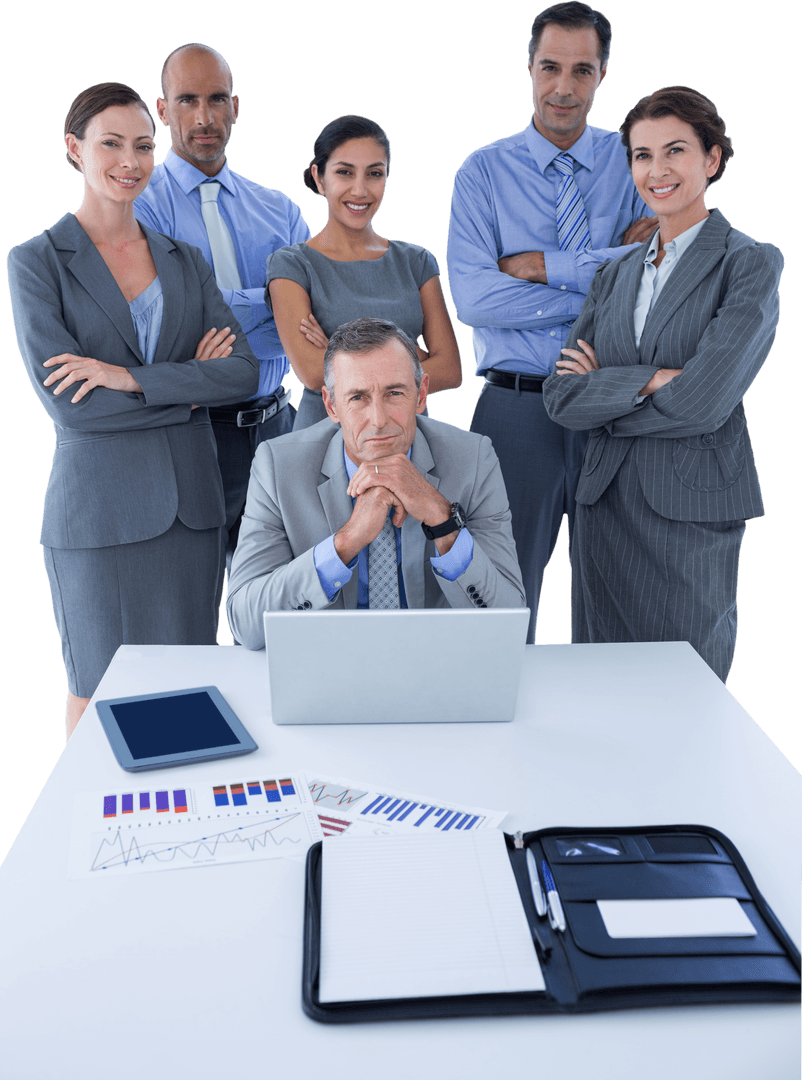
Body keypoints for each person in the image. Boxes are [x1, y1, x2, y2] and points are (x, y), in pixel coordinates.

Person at [6, 82, 259, 737]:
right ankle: (91, 840)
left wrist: (126, 377)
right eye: (111, 143)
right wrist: (187, 387)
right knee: (97, 700)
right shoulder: (37, 263)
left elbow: (240, 374)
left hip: (190, 513)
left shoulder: (185, 261)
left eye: (144, 145)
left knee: (191, 696)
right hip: (98, 517)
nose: (130, 159)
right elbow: (74, 411)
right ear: (74, 150)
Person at [542, 86, 783, 681]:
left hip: (688, 512)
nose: (657, 170)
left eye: (674, 151)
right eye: (642, 156)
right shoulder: (616, 271)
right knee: (601, 689)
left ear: (712, 159)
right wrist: (653, 378)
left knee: (685, 690)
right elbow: (562, 395)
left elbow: (705, 401)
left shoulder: (747, 263)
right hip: (604, 504)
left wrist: (610, 391)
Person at [447, 1, 657, 644]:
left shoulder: (635, 162)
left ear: (602, 75)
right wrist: (607, 274)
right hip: (517, 412)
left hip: (615, 407)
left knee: (621, 592)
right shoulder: (482, 172)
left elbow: (662, 276)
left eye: (582, 70)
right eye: (550, 67)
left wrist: (544, 266)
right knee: (504, 600)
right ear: (529, 69)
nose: (564, 87)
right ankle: (504, 736)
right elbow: (476, 302)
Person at [226, 318, 524, 649]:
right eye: (358, 398)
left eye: (394, 393)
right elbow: (245, 624)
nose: (379, 420)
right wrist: (344, 543)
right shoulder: (278, 466)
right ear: (331, 405)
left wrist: (444, 522)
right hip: (327, 668)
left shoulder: (473, 459)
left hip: (436, 664)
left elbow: (509, 620)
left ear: (421, 394)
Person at [133, 43, 310, 572]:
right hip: (191, 433)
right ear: (163, 112)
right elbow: (165, 323)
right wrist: (276, 304)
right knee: (191, 612)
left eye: (216, 99)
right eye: (187, 100)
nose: (204, 117)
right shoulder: (139, 205)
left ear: (237, 107)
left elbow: (316, 318)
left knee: (288, 609)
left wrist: (217, 314)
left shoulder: (279, 210)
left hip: (281, 429)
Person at [266, 115, 461, 430]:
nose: (360, 190)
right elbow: (314, 373)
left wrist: (334, 347)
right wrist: (409, 353)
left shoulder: (416, 261)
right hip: (324, 441)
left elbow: (450, 369)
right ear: (319, 177)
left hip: (405, 439)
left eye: (374, 174)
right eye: (344, 172)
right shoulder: (291, 264)